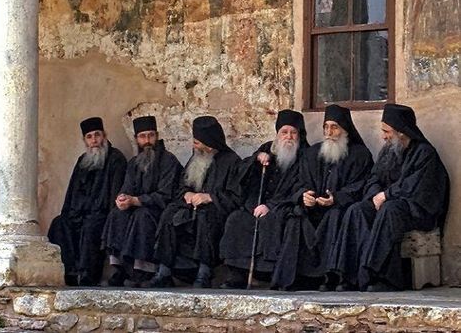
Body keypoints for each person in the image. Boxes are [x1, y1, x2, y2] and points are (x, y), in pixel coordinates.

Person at [332, 103, 450, 291]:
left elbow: (414, 187)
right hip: (389, 205)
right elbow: (373, 178)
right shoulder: (388, 151)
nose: (383, 136)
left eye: (387, 131)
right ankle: (350, 276)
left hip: (417, 211)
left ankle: (384, 278)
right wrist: (375, 196)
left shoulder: (425, 153)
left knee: (390, 209)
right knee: (357, 210)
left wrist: (386, 196)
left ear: (401, 131)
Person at [272, 104, 373, 291]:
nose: (329, 132)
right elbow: (299, 182)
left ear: (345, 129)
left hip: (340, 207)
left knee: (334, 216)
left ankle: (332, 276)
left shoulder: (360, 155)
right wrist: (304, 196)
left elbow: (362, 185)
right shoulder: (312, 153)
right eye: (326, 127)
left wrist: (337, 198)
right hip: (314, 207)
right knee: (296, 218)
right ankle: (296, 278)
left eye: (334, 127)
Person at [219, 109, 309, 289]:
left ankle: (267, 274)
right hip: (255, 204)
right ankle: (238, 273)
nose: (288, 137)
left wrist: (271, 206)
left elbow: (302, 186)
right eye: (284, 132)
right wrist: (256, 159)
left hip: (283, 207)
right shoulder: (268, 148)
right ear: (277, 134)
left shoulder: (305, 156)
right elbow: (242, 174)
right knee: (236, 219)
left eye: (293, 133)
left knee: (271, 221)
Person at [151, 115, 241, 288]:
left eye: (198, 142)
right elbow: (181, 186)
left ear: (209, 143)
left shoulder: (231, 161)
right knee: (169, 213)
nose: (194, 145)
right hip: (190, 207)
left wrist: (209, 197)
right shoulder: (195, 158)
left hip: (215, 210)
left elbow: (236, 197)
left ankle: (204, 273)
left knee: (205, 216)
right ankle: (164, 271)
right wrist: (187, 194)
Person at [102, 115, 182, 287]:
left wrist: (137, 200)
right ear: (136, 139)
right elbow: (127, 187)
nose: (147, 141)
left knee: (142, 215)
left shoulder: (169, 161)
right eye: (142, 136)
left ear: (157, 136)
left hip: (159, 210)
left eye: (151, 135)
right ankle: (119, 269)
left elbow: (166, 195)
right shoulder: (133, 163)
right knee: (117, 213)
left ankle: (144, 271)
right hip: (138, 206)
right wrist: (123, 198)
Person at [48, 117, 127, 286]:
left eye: (97, 135)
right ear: (85, 140)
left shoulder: (116, 158)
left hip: (102, 213)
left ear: (104, 136)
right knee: (60, 223)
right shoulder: (82, 161)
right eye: (89, 137)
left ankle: (87, 275)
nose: (94, 140)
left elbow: (116, 191)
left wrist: (108, 212)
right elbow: (71, 192)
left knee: (91, 225)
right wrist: (68, 213)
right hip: (79, 212)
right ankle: (68, 272)